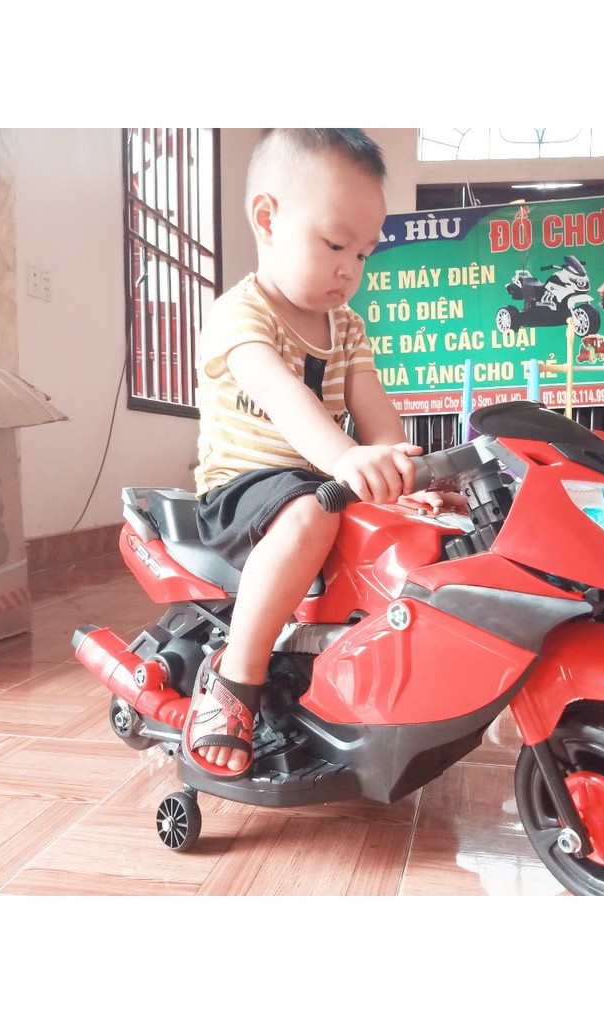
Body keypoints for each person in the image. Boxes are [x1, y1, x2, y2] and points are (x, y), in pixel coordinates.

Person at [188, 129, 448, 779]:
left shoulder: (348, 329)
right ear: (267, 219)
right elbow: (284, 397)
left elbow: (379, 418)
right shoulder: (238, 315)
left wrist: (405, 471)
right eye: (335, 244)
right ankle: (235, 678)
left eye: (363, 254)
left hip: (319, 480)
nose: (350, 269)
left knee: (398, 526)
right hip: (242, 488)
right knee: (309, 513)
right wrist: (345, 458)